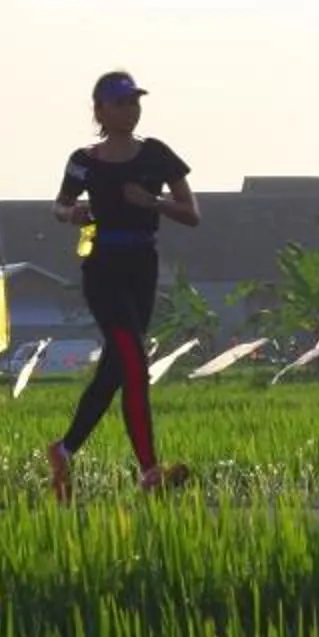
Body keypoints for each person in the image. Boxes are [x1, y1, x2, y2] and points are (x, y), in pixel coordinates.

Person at [45, 70, 200, 501]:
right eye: (119, 103)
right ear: (99, 110)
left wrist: (153, 202)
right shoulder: (84, 159)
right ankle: (150, 470)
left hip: (142, 267)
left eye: (134, 102)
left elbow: (191, 212)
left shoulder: (156, 154)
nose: (129, 110)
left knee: (117, 369)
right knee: (134, 362)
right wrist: (71, 214)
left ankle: (64, 450)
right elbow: (58, 205)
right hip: (103, 268)